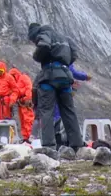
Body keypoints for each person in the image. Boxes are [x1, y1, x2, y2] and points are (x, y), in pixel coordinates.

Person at [28, 23, 84, 151]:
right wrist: (64, 62)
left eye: (33, 40)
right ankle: (76, 145)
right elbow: (74, 53)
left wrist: (37, 57)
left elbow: (44, 45)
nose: (34, 42)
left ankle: (48, 146)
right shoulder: (64, 38)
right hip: (65, 77)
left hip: (49, 76)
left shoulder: (44, 33)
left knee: (46, 110)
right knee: (69, 111)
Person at [8, 68, 35, 143]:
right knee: (23, 121)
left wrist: (27, 98)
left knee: (28, 120)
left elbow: (29, 87)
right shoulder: (15, 84)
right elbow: (15, 93)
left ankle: (30, 136)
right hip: (21, 103)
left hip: (26, 103)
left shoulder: (24, 77)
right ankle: (25, 138)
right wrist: (11, 102)